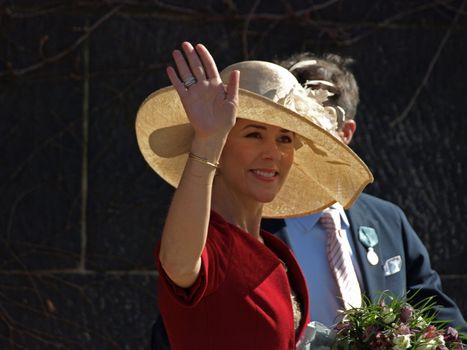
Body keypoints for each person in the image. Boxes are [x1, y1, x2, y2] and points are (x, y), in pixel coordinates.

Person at [137, 42, 372, 350]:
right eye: (254, 134)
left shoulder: (273, 249)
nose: (272, 153)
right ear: (220, 144)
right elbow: (179, 265)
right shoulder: (210, 242)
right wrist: (207, 142)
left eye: (285, 138)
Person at [261, 52, 467, 331]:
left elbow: (437, 315)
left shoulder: (388, 219)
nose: (300, 143)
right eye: (289, 131)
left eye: (316, 129)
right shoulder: (251, 222)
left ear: (346, 132)